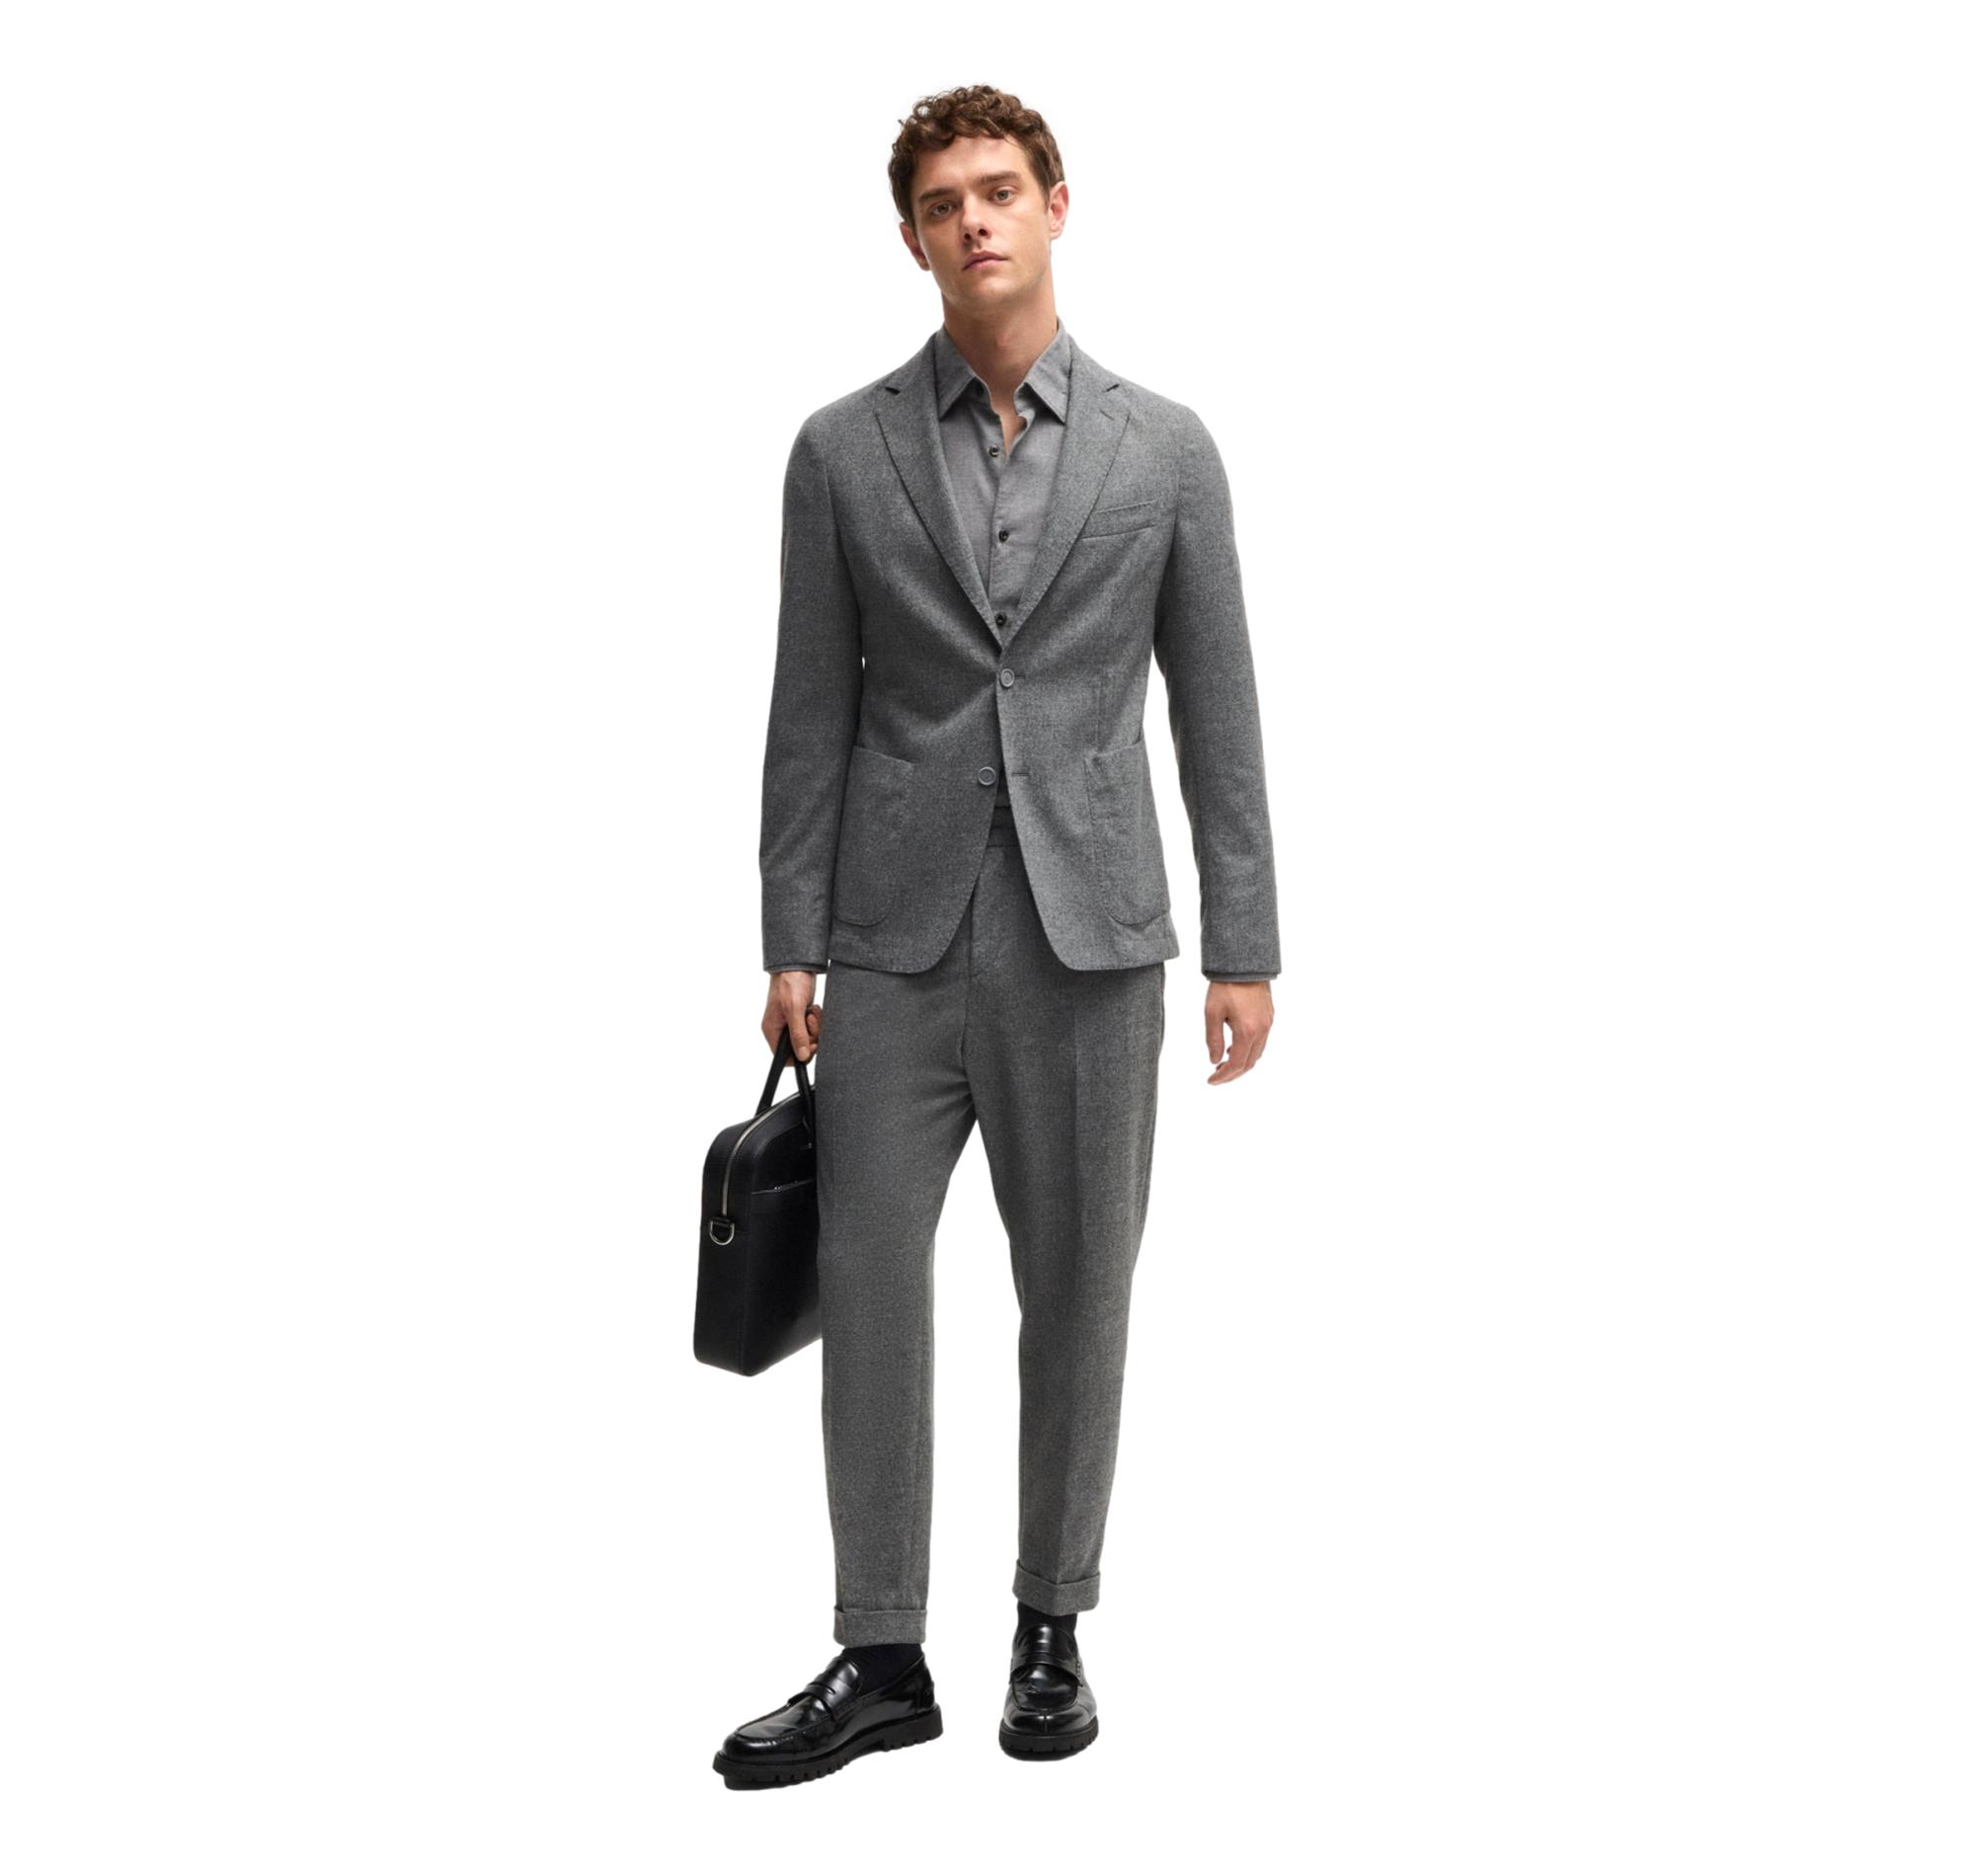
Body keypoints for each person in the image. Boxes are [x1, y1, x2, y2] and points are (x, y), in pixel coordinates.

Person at [714, 83, 1282, 1790]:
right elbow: (809, 711)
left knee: (1079, 1294)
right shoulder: (842, 450)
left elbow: (1218, 707)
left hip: (1091, 940)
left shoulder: (1166, 450)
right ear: (912, 239)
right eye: (944, 201)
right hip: (888, 941)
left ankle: (1051, 1626)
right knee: (871, 1291)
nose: (975, 218)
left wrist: (1244, 943)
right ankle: (881, 1652)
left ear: (1054, 206)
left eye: (1001, 190)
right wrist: (789, 937)